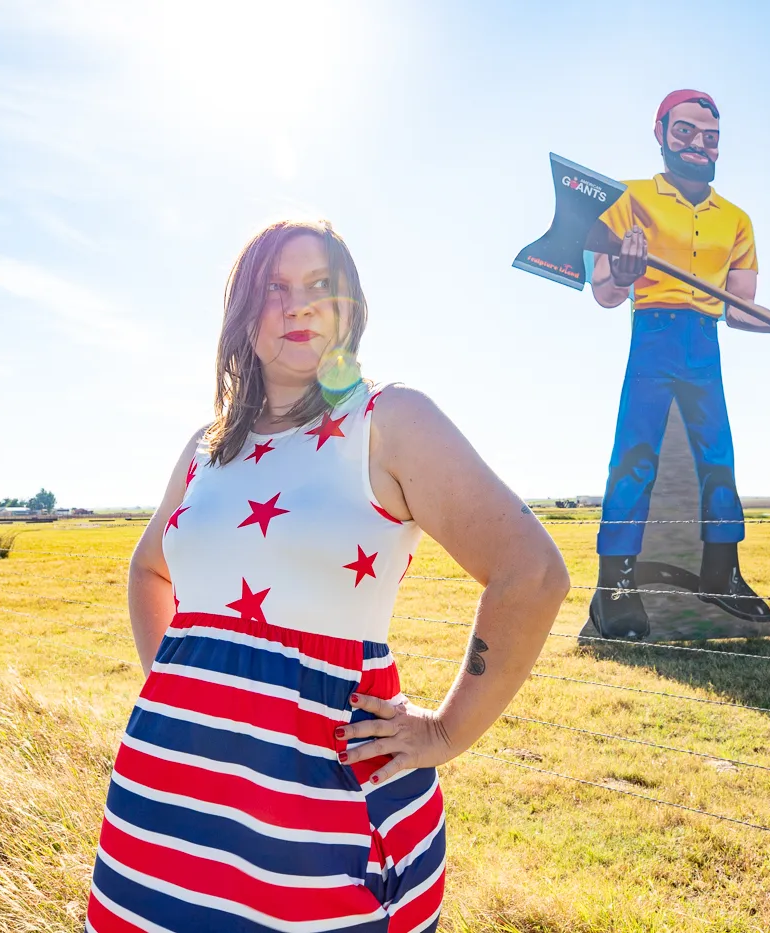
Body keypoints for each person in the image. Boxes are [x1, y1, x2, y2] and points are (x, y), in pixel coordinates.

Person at [86, 220, 570, 932]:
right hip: (159, 809)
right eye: (275, 287)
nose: (300, 304)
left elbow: (531, 573)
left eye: (321, 286)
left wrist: (444, 732)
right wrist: (177, 684)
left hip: (320, 826)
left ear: (350, 308)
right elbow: (149, 569)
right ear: (242, 312)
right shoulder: (204, 446)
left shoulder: (388, 418)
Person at [584, 89, 770, 638]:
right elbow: (603, 293)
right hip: (654, 335)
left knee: (718, 457)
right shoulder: (627, 199)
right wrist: (623, 271)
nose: (698, 144)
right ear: (661, 131)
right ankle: (614, 585)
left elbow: (739, 307)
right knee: (635, 456)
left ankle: (723, 574)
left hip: (703, 342)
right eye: (685, 131)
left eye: (710, 137)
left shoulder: (736, 219)